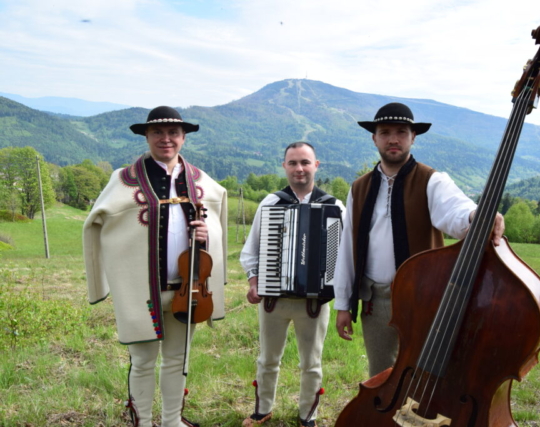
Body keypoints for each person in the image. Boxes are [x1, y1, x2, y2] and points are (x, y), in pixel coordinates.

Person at [333, 102, 504, 377]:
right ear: (374, 138)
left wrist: (476, 216)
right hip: (375, 301)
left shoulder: (432, 181)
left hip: (424, 298)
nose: (393, 139)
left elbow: (456, 211)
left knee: (423, 374)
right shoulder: (359, 187)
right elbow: (348, 249)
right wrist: (343, 304)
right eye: (385, 132)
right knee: (380, 375)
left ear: (413, 137)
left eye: (401, 132)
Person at [83, 106, 227, 427]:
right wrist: (103, 280)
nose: (166, 139)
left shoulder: (201, 180)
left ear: (184, 137)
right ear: (146, 136)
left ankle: (173, 420)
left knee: (178, 359)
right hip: (141, 291)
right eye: (158, 133)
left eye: (173, 133)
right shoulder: (123, 180)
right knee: (143, 361)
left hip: (187, 289)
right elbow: (97, 224)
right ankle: (144, 422)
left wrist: (208, 233)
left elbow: (218, 224)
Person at [240, 142, 345, 427]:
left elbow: (346, 256)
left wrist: (334, 283)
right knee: (267, 360)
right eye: (293, 163)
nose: (299, 168)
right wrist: (254, 280)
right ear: (284, 166)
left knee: (311, 364)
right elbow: (250, 251)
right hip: (275, 299)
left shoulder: (334, 206)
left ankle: (307, 416)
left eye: (305, 162)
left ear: (316, 165)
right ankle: (263, 410)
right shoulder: (271, 203)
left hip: (314, 302)